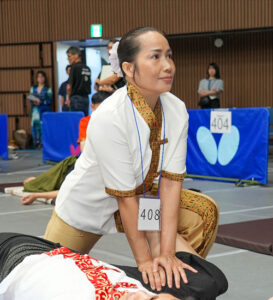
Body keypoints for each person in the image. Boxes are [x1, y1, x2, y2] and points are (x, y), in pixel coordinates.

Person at [44, 27, 219, 291]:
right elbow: (126, 200)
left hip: (142, 200)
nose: (168, 66)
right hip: (87, 208)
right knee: (47, 281)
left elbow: (169, 186)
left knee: (203, 213)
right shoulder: (110, 117)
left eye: (169, 56)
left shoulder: (176, 109)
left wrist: (166, 254)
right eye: (155, 57)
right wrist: (145, 261)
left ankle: (170, 292)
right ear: (128, 68)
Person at [0, 233, 228, 300]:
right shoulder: (139, 291)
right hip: (67, 255)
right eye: (152, 299)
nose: (139, 296)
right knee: (207, 281)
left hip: (15, 255)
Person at [20, 91, 111, 205]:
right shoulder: (87, 122)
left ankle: (38, 183)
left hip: (96, 167)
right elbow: (84, 149)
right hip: (78, 164)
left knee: (52, 186)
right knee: (32, 184)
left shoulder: (113, 123)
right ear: (92, 107)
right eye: (101, 107)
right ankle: (37, 181)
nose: (105, 111)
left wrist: (37, 196)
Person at [28, 71, 52, 148]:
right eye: (39, 77)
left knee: (43, 127)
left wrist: (40, 102)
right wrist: (34, 101)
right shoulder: (33, 88)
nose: (40, 78)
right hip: (35, 111)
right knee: (35, 127)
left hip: (44, 110)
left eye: (42, 76)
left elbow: (50, 100)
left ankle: (43, 144)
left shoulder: (47, 88)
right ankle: (36, 144)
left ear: (44, 78)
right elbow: (30, 98)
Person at [66, 46, 91, 116]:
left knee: (76, 121)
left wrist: (68, 98)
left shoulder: (73, 68)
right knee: (84, 120)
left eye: (69, 56)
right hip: (86, 98)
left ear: (76, 55)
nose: (68, 59)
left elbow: (69, 87)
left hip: (76, 98)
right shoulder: (87, 68)